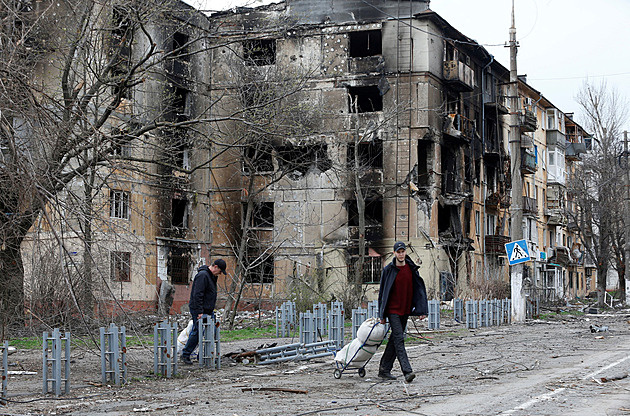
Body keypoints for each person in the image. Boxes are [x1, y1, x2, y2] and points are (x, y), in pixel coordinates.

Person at [377, 242, 428, 383]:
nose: (400, 254)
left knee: (394, 339)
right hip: (393, 310)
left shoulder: (411, 269)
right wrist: (381, 315)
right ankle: (407, 371)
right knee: (399, 339)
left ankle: (384, 369)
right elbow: (382, 293)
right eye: (398, 252)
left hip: (405, 310)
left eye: (402, 251)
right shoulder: (389, 270)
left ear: (405, 252)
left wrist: (421, 310)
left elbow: (419, 290)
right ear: (394, 253)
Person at [181, 258, 227, 365]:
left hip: (208, 310)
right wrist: (199, 312)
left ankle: (204, 355)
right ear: (215, 267)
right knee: (197, 332)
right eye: (220, 271)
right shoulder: (203, 276)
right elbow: (198, 294)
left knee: (212, 332)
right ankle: (186, 354)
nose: (219, 274)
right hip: (200, 310)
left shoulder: (211, 276)